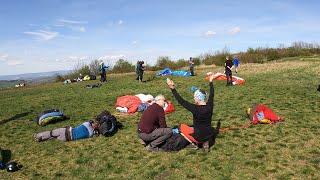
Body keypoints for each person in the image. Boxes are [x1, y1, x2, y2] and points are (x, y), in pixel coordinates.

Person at [166, 74, 216, 152]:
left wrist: (172, 89)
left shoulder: (195, 108)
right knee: (202, 130)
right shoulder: (210, 106)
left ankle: (195, 143)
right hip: (209, 135)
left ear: (199, 98)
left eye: (195, 97)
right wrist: (211, 81)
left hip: (198, 137)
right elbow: (212, 94)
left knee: (181, 127)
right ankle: (206, 143)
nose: (193, 98)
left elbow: (181, 101)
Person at [34, 120, 100, 142]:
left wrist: (92, 123)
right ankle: (41, 139)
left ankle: (38, 136)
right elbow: (95, 134)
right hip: (66, 139)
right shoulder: (91, 134)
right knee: (53, 137)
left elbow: (89, 121)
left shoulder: (87, 124)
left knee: (51, 133)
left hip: (66, 131)